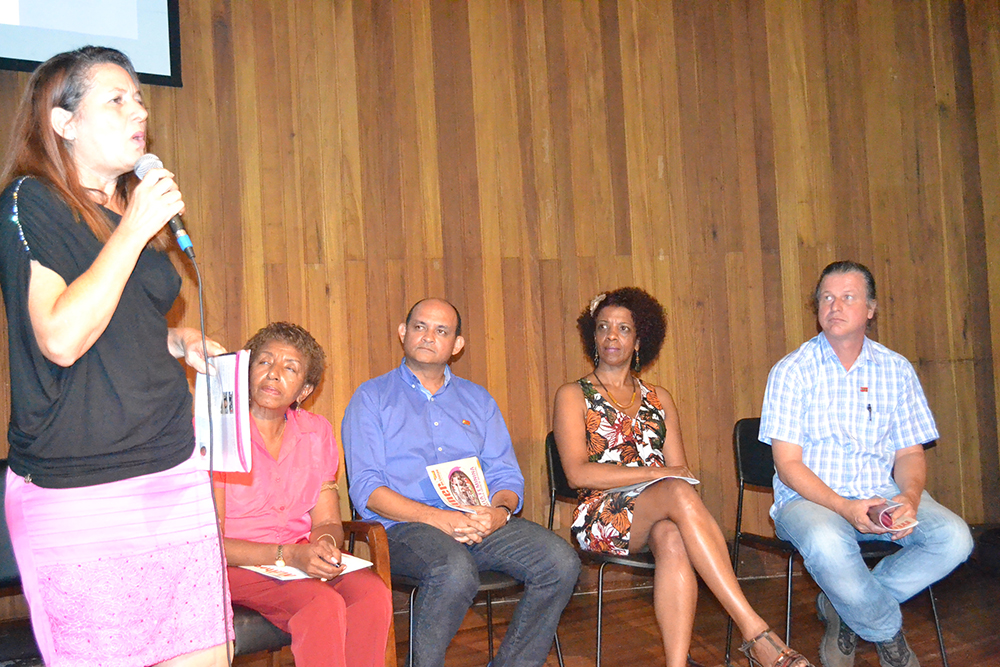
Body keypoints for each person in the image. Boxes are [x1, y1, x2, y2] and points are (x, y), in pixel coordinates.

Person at [0, 46, 231, 665]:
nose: (141, 111)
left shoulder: (126, 210)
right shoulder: (31, 201)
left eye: (140, 97)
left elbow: (121, 321)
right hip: (82, 486)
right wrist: (133, 231)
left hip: (171, 467)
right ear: (64, 122)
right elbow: (61, 338)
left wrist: (176, 339)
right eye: (117, 99)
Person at [553, 287, 814, 667]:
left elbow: (682, 473)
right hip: (600, 512)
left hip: (658, 509)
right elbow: (577, 474)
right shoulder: (573, 395)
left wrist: (664, 478)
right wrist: (655, 473)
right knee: (674, 490)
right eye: (603, 327)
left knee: (673, 536)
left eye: (623, 329)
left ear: (639, 340)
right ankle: (756, 632)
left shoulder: (660, 398)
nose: (611, 336)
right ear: (592, 336)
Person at [342, 298, 581, 667]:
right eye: (420, 326)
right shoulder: (371, 398)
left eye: (441, 331)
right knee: (453, 570)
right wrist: (438, 519)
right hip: (403, 528)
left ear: (457, 345)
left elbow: (506, 475)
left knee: (560, 562)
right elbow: (366, 489)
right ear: (403, 333)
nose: (428, 336)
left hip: (475, 522)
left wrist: (499, 512)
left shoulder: (478, 400)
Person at [760, 261, 973, 667]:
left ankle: (845, 604)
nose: (834, 306)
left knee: (954, 538)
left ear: (871, 309)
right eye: (826, 298)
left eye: (848, 297)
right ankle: (885, 631)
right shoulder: (791, 371)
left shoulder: (896, 369)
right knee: (828, 543)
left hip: (880, 491)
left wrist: (909, 497)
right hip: (810, 500)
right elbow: (787, 465)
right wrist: (844, 507)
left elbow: (909, 453)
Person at [214, 322, 392, 667]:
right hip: (235, 564)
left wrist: (324, 547)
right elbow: (212, 543)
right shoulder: (219, 434)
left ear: (305, 389)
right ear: (246, 372)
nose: (273, 374)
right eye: (264, 362)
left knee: (372, 594)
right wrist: (289, 555)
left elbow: (326, 520)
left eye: (290, 368)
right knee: (320, 603)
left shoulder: (316, 432)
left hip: (297, 559)